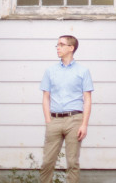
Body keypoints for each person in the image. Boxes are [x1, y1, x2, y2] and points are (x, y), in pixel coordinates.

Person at [40, 35, 94, 183]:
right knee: (47, 162)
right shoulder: (50, 71)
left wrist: (84, 124)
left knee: (72, 163)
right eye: (57, 45)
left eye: (61, 44)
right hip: (54, 120)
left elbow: (87, 99)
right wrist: (48, 120)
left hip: (74, 120)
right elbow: (46, 97)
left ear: (71, 48)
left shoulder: (83, 71)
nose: (58, 47)